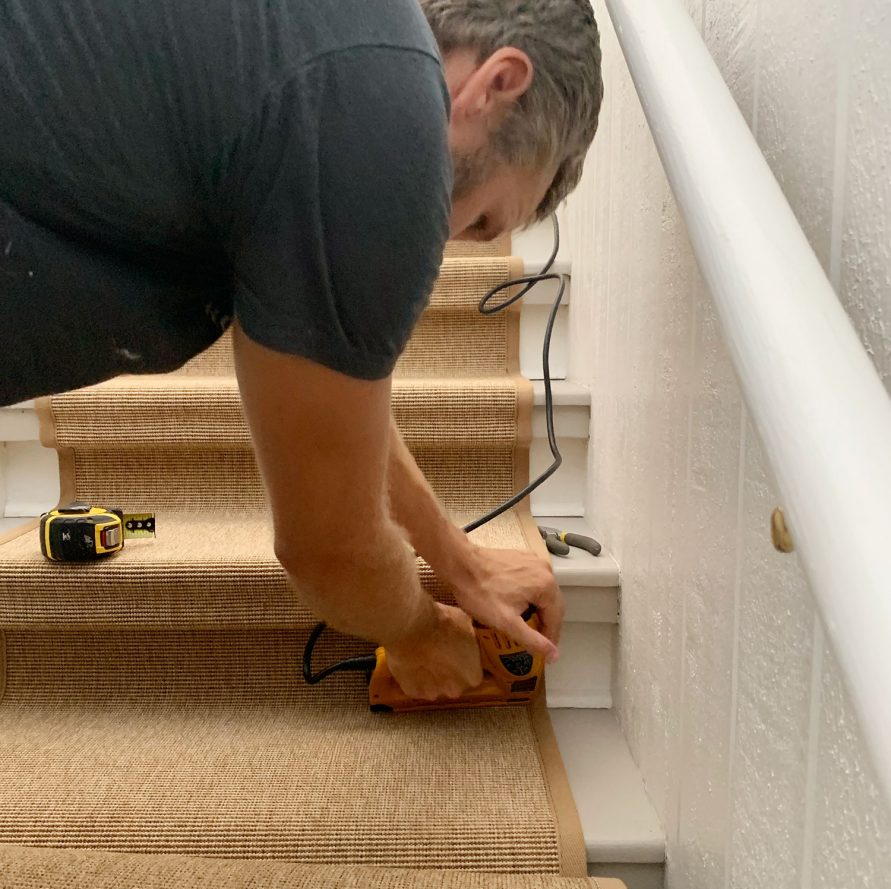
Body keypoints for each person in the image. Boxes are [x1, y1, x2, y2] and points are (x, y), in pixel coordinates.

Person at [0, 0, 604, 699]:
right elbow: (328, 552)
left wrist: (454, 558)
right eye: (476, 220)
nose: (438, 247)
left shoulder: (312, 59)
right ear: (495, 83)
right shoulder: (378, 112)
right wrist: (419, 634)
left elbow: (335, 406)